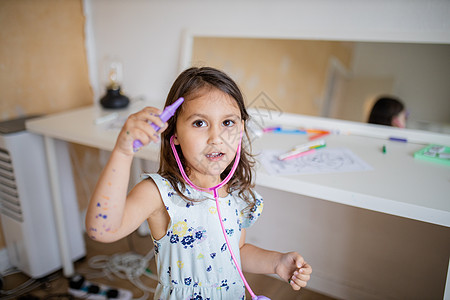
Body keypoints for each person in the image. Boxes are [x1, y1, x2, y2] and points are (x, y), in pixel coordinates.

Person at [86, 67, 312, 299]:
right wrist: (123, 152)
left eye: (227, 122)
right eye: (199, 123)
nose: (216, 137)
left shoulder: (237, 194)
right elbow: (102, 230)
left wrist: (277, 263)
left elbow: (237, 251)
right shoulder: (159, 193)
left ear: (241, 129)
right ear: (174, 133)